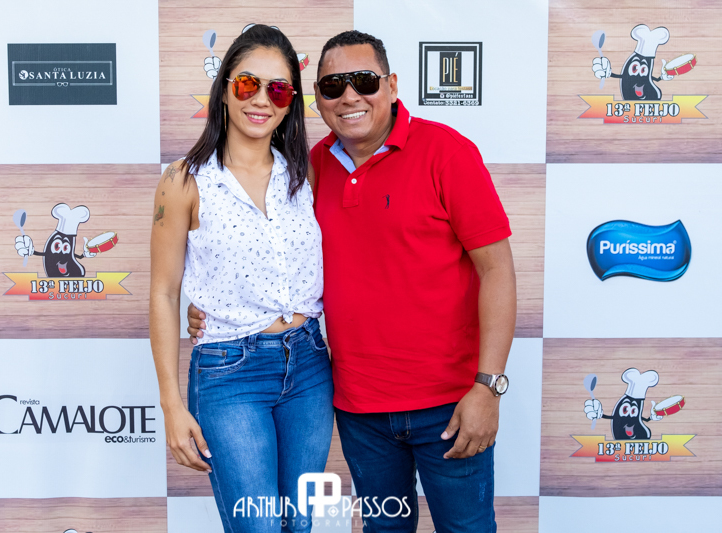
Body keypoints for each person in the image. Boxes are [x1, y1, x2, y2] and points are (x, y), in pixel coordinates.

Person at [190, 30, 517, 533]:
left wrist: (488, 387)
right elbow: (273, 253)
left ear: (392, 85)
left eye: (363, 81)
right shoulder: (308, 169)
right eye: (332, 86)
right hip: (359, 409)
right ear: (316, 98)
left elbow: (497, 270)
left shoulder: (447, 152)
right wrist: (213, 304)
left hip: (449, 404)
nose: (349, 96)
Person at [150, 25, 333, 533]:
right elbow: (164, 293)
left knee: (299, 524)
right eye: (249, 84)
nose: (262, 100)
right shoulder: (183, 180)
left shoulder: (307, 173)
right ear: (226, 87)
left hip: (310, 365)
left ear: (291, 103)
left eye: (279, 90)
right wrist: (171, 405)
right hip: (230, 371)